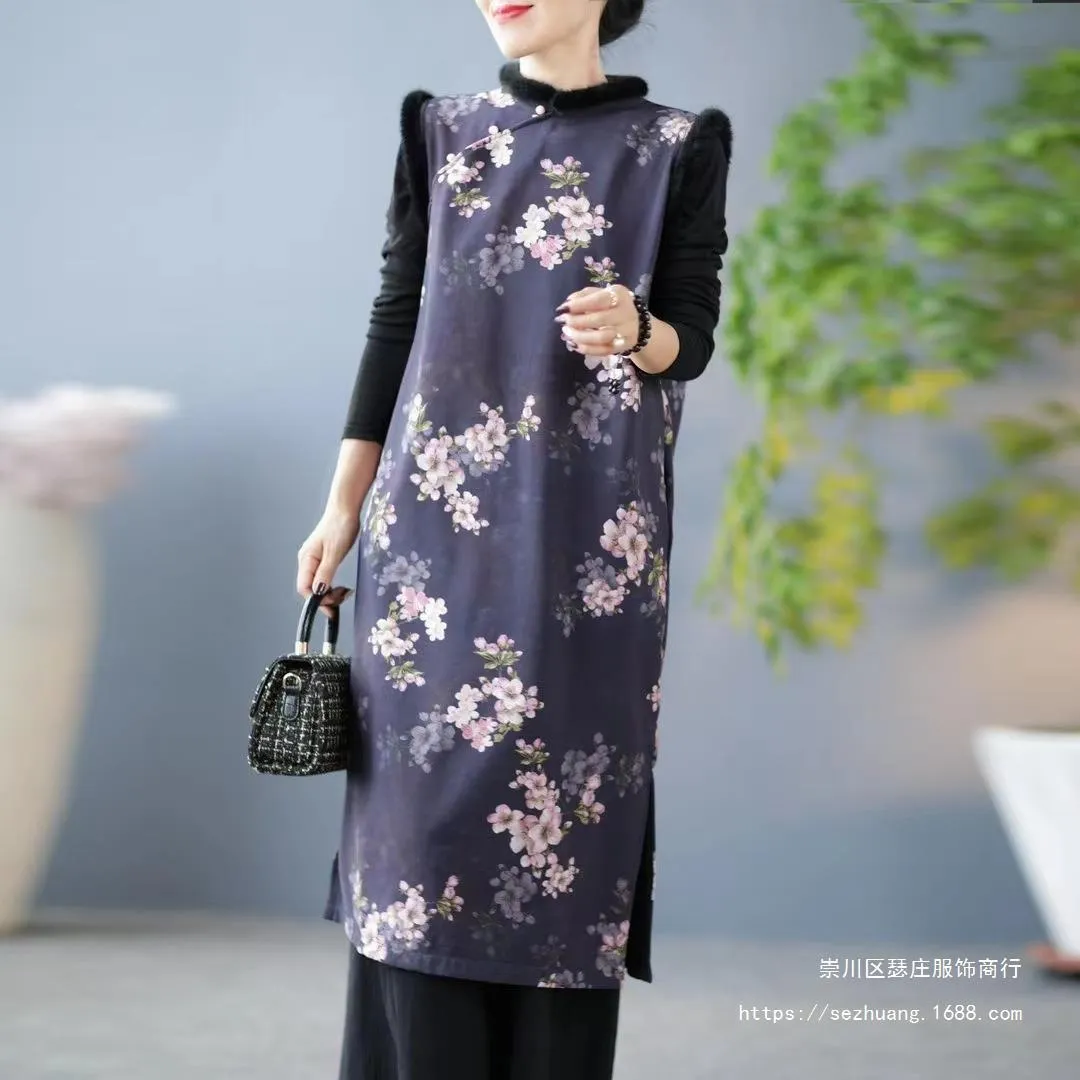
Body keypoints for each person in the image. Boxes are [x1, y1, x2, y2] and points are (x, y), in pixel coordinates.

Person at [296, 1, 731, 1076]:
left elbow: (692, 332)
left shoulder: (677, 147)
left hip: (593, 559)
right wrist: (343, 507)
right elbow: (397, 315)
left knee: (567, 834)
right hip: (427, 552)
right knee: (416, 846)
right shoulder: (438, 131)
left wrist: (639, 329)